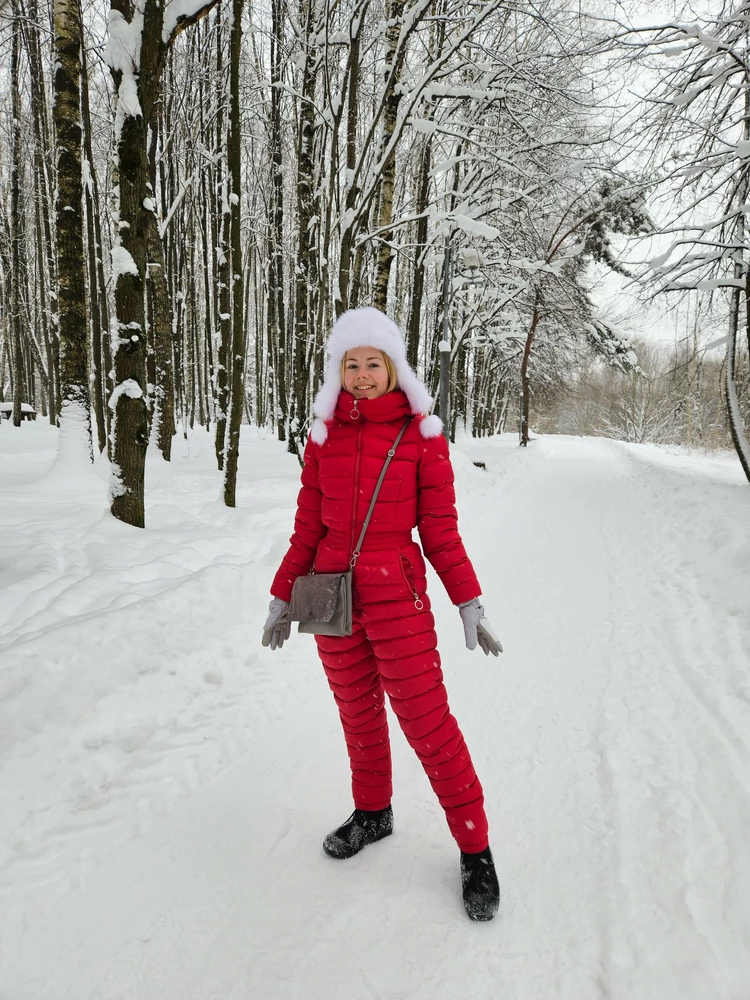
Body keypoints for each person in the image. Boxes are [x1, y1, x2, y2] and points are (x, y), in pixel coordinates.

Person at [263, 306, 503, 921]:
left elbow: (441, 533)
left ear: (394, 369)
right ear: (337, 370)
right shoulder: (323, 437)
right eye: (352, 364)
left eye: (374, 364)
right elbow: (307, 526)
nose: (363, 375)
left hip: (398, 601)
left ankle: (475, 848)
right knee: (358, 715)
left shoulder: (423, 436)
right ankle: (373, 812)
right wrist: (282, 594)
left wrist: (467, 600)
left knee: (429, 726)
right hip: (331, 599)